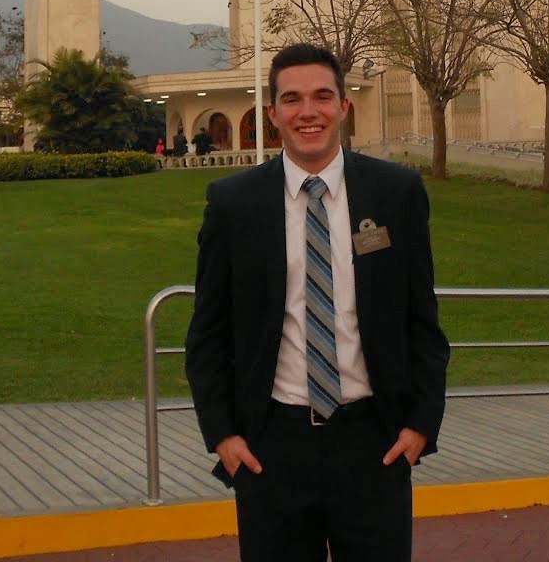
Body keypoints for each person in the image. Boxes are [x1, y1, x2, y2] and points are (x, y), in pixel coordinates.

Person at [185, 44, 449, 561]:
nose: (309, 112)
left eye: (323, 96)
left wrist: (420, 425)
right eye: (293, 99)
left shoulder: (396, 193)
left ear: (344, 106)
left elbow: (423, 321)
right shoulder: (233, 203)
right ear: (273, 113)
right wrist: (223, 437)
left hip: (374, 444)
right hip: (271, 449)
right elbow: (207, 334)